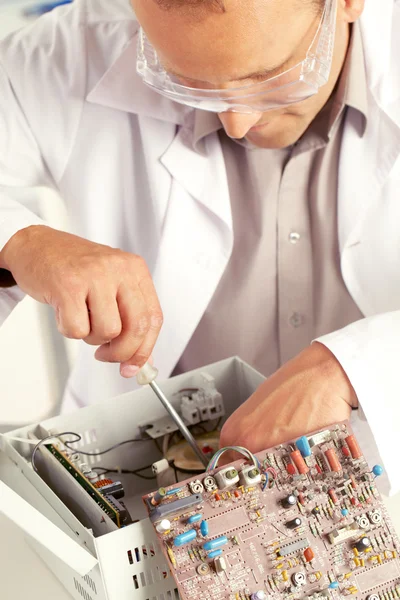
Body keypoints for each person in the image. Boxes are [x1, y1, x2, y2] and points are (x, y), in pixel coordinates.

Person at [0, 0, 399, 494]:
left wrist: (355, 367)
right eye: (188, 80)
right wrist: (22, 241)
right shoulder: (71, 51)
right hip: (150, 487)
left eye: (271, 76)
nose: (237, 123)